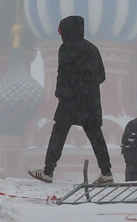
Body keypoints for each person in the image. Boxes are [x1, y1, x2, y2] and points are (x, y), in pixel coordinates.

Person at [29, 16, 113, 184]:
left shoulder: (66, 48)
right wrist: (88, 85)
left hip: (70, 101)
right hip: (90, 102)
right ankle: (107, 172)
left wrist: (62, 93)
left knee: (58, 134)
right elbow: (102, 76)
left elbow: (63, 74)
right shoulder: (92, 49)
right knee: (96, 136)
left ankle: (48, 171)